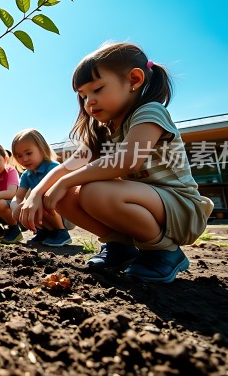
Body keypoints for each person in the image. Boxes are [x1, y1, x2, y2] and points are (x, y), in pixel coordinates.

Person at [20, 42, 214, 283]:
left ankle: (164, 251)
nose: (89, 102)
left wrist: (65, 181)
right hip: (147, 205)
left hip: (182, 208)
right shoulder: (102, 131)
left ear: (134, 80)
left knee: (93, 191)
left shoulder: (149, 112)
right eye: (84, 95)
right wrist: (37, 192)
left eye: (97, 89)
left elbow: (125, 161)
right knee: (63, 195)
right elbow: (66, 168)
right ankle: (121, 246)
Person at [9, 129, 72, 247]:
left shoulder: (53, 168)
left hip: (66, 215)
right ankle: (45, 231)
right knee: (28, 204)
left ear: (42, 149)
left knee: (40, 199)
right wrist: (15, 207)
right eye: (19, 156)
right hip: (47, 213)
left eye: (29, 153)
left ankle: (61, 232)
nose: (24, 159)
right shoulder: (27, 175)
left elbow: (52, 193)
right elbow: (17, 197)